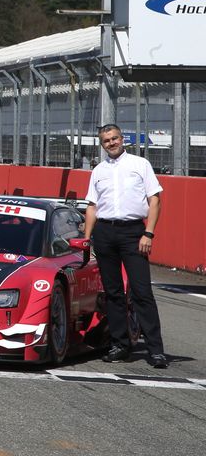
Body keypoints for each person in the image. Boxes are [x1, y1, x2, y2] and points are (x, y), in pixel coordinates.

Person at [83, 123, 168, 368]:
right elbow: (92, 206)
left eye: (115, 138)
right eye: (106, 140)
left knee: (142, 292)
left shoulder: (140, 164)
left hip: (133, 233)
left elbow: (155, 200)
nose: (111, 143)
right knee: (113, 293)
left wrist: (148, 233)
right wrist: (87, 238)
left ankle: (156, 350)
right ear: (102, 144)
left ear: (122, 139)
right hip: (105, 233)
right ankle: (120, 345)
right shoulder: (98, 170)